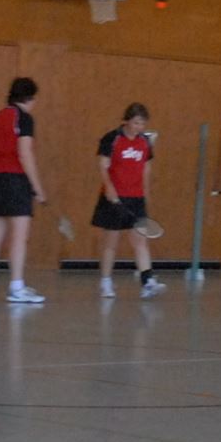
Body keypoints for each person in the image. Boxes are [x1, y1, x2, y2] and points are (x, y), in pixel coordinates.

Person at [0, 77, 49, 304]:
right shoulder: (24, 118)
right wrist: (38, 188)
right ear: (29, 98)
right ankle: (16, 287)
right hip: (16, 180)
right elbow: (25, 153)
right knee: (19, 236)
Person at [91, 102, 164, 299]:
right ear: (126, 121)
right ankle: (106, 282)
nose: (139, 127)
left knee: (140, 240)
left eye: (143, 123)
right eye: (136, 123)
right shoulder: (112, 138)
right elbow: (103, 166)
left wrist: (145, 192)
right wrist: (109, 187)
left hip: (136, 198)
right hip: (114, 198)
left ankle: (147, 282)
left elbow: (146, 168)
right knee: (111, 242)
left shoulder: (145, 142)